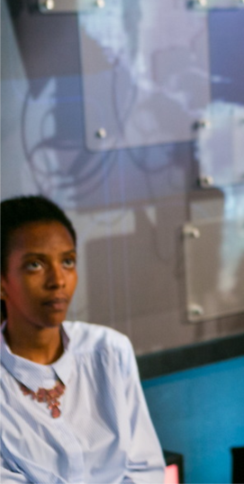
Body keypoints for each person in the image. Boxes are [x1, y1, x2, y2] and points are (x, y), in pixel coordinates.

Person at [0, 195, 165, 483]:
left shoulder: (109, 351)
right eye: (35, 265)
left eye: (67, 261)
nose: (58, 280)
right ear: (2, 282)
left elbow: (145, 470)